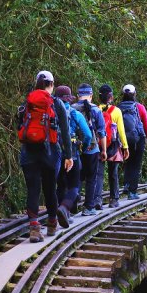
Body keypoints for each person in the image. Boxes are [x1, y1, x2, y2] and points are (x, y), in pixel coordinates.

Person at [18, 71, 74, 243]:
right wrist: (68, 155)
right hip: (50, 151)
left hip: (29, 151)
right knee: (50, 187)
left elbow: (20, 127)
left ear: (36, 83)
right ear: (52, 85)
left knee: (33, 189)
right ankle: (51, 223)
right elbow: (65, 132)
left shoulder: (26, 103)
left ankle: (34, 228)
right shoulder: (57, 104)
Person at [53, 85, 93, 224]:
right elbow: (88, 134)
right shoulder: (75, 113)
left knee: (59, 184)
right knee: (74, 185)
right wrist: (84, 146)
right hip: (72, 154)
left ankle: (58, 214)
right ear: (69, 99)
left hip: (54, 153)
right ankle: (64, 209)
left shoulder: (51, 110)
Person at [71, 84, 108, 216]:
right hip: (92, 149)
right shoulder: (96, 110)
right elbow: (102, 133)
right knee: (91, 178)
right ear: (91, 96)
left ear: (78, 96)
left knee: (76, 177)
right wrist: (103, 151)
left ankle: (72, 206)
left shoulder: (71, 109)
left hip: (75, 149)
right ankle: (88, 207)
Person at [97, 84, 130, 208]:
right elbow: (121, 131)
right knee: (113, 173)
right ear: (110, 97)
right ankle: (114, 199)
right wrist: (125, 147)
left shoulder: (95, 109)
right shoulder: (116, 111)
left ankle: (98, 200)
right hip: (114, 145)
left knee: (99, 174)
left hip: (100, 144)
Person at [118, 84, 147, 200]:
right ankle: (132, 192)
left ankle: (126, 185)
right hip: (138, 139)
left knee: (128, 162)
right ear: (134, 94)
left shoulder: (117, 108)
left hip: (123, 140)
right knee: (136, 164)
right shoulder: (139, 107)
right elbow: (146, 125)